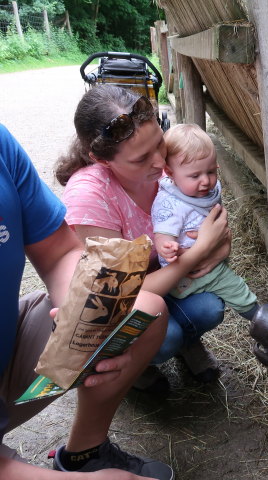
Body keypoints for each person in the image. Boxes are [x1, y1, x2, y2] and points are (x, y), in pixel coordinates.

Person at [0, 123, 174, 479]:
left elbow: (59, 251)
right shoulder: (90, 191)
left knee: (143, 311)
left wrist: (85, 320)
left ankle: (84, 453)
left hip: (7, 351)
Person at [55, 86, 232, 392]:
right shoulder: (90, 196)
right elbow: (122, 294)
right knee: (168, 335)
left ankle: (185, 344)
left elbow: (215, 223)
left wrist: (220, 246)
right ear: (101, 159)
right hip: (122, 304)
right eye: (140, 159)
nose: (160, 162)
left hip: (166, 281)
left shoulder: (166, 166)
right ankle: (135, 363)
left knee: (211, 307)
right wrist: (199, 250)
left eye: (159, 144)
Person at [152, 123, 258, 323]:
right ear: (170, 172)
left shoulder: (208, 190)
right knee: (234, 287)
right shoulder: (170, 203)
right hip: (189, 269)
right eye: (195, 175)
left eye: (211, 171)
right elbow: (162, 234)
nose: (206, 181)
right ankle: (259, 317)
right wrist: (167, 247)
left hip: (209, 254)